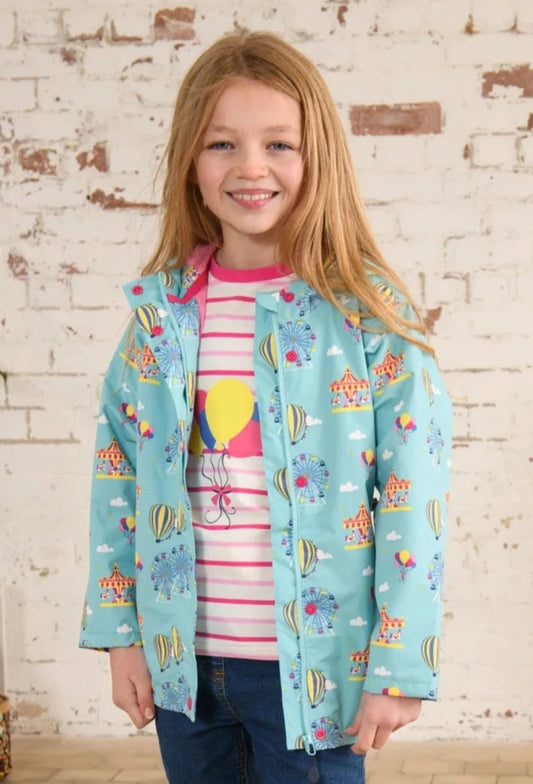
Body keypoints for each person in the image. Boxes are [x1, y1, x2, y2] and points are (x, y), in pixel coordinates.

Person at [80, 30, 452, 784]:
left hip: (314, 671)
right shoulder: (160, 318)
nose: (250, 168)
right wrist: (124, 637)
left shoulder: (368, 323)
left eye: (278, 144)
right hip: (185, 670)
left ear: (318, 160)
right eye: (222, 143)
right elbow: (118, 482)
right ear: (190, 161)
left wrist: (397, 665)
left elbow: (414, 502)